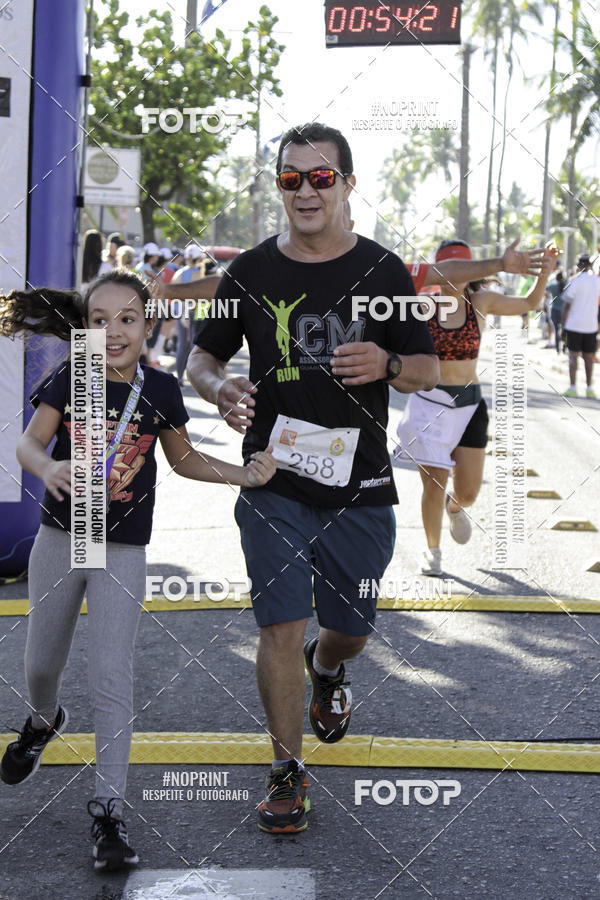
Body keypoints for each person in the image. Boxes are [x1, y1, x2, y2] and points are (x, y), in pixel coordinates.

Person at [187, 122, 439, 834]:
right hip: (274, 479)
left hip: (360, 490)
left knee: (349, 627)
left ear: (348, 185)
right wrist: (219, 391)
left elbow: (429, 368)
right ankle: (286, 773)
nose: (306, 191)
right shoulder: (251, 274)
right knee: (279, 623)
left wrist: (388, 366)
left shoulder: (385, 271)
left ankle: (328, 670)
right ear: (279, 188)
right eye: (291, 178)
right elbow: (201, 360)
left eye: (321, 178)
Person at [0, 270, 276, 870]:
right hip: (61, 538)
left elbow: (185, 461)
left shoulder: (160, 388)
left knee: (111, 676)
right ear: (85, 329)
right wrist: (45, 470)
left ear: (148, 325)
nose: (114, 330)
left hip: (123, 547)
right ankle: (44, 721)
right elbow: (27, 445)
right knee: (40, 664)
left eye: (127, 318)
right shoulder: (73, 378)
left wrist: (243, 474)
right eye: (100, 320)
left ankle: (109, 814)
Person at [395, 239, 557, 576]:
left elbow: (530, 301)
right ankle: (432, 550)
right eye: (450, 270)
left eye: (464, 270)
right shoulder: (422, 305)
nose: (457, 278)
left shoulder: (480, 302)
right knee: (432, 483)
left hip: (469, 407)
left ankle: (455, 507)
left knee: (468, 491)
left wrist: (544, 273)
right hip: (430, 405)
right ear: (438, 273)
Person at [561, 254, 600, 398]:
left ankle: (573, 388)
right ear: (589, 265)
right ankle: (589, 389)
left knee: (573, 357)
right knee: (589, 358)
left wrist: (563, 326)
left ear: (578, 266)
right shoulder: (596, 281)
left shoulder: (574, 281)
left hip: (574, 325)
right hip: (591, 326)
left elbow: (567, 306)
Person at [170, 245, 207, 384]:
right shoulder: (201, 273)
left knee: (182, 345)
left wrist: (179, 313)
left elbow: (173, 296)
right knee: (194, 345)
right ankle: (195, 377)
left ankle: (180, 376)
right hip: (196, 313)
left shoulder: (179, 274)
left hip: (182, 312)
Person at [547, 269, 566, 354]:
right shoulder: (566, 285)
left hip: (554, 310)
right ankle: (565, 348)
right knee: (565, 329)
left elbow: (546, 288)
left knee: (556, 329)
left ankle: (558, 349)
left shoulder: (553, 286)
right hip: (564, 311)